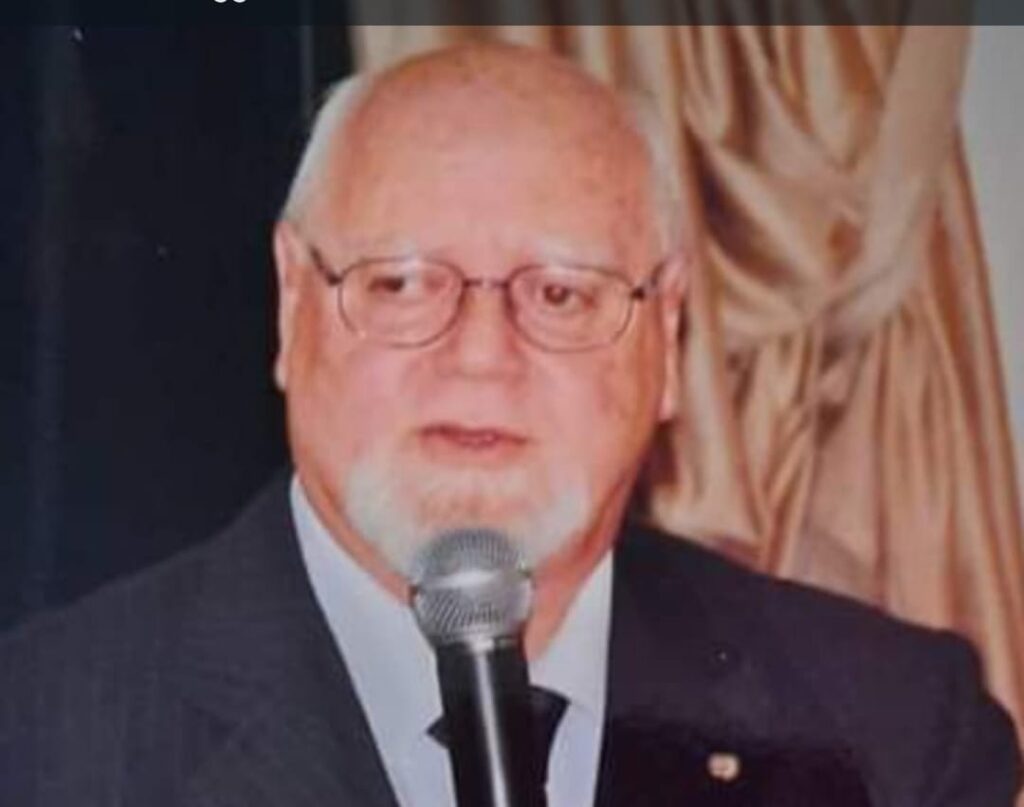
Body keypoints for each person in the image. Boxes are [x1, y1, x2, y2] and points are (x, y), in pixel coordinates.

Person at [1, 42, 1020, 807]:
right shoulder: (38, 739)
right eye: (403, 283)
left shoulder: (894, 734)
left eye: (562, 294)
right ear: (292, 303)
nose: (481, 354)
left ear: (667, 336)